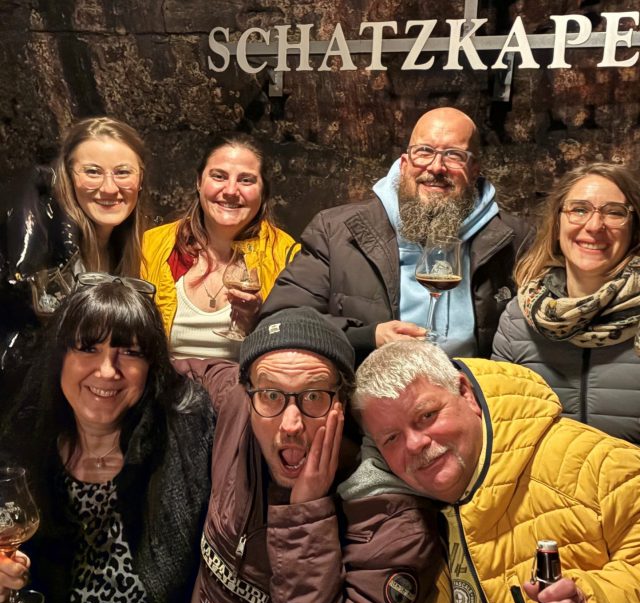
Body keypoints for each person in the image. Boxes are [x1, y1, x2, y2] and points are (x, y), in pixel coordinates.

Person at [178, 307, 441, 603]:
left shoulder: (393, 526)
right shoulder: (239, 406)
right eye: (271, 395)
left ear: (343, 403)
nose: (291, 424)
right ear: (248, 395)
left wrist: (306, 518)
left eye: (314, 396)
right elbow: (186, 370)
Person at [351, 340, 640, 603]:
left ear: (466, 393)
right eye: (392, 438)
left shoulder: (602, 465)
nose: (414, 444)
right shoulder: (400, 515)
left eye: (427, 416)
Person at [0, 278, 214, 603]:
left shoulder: (182, 440)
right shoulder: (21, 443)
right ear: (60, 358)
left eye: (130, 352)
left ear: (151, 367)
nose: (107, 370)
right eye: (88, 348)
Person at [261, 107, 530, 362]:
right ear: (404, 164)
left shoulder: (515, 239)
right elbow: (279, 321)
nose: (437, 167)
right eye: (424, 152)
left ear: (474, 171)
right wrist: (369, 336)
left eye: (454, 155)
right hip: (368, 388)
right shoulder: (336, 231)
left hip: (474, 389)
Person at [492, 162, 640, 444]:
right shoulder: (517, 320)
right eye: (579, 210)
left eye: (614, 212)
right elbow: (502, 432)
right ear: (557, 223)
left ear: (633, 229)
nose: (594, 226)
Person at [0, 116, 150, 376]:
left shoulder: (134, 249)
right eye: (92, 172)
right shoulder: (47, 245)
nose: (109, 188)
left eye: (123, 172)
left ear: (141, 179)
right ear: (68, 177)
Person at [141, 132, 299, 361]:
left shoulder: (286, 255)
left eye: (246, 180)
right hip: (165, 381)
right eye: (219, 176)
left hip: (245, 383)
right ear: (199, 182)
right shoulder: (151, 245)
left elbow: (296, 350)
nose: (231, 191)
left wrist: (260, 322)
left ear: (263, 191)